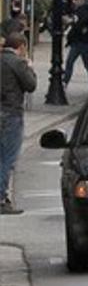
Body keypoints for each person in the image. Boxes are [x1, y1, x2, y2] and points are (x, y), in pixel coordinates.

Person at [1, 33, 36, 215]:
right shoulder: (17, 63)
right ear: (21, 47)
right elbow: (31, 85)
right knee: (7, 158)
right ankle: (1, 199)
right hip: (11, 113)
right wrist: (29, 68)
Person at [63, 0, 88, 88]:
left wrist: (71, 22)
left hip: (82, 41)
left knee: (85, 63)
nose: (74, 1)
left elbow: (81, 22)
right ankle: (66, 81)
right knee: (74, 62)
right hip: (78, 41)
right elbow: (68, 9)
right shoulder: (79, 9)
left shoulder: (85, 10)